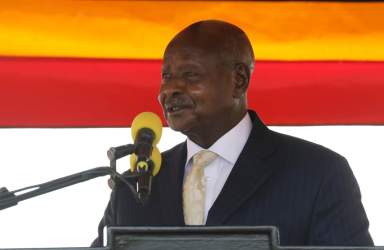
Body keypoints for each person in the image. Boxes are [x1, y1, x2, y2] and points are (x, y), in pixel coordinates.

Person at [92, 20, 373, 246]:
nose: (168, 90)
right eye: (166, 76)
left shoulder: (317, 173)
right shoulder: (133, 187)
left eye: (190, 75)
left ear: (238, 80)